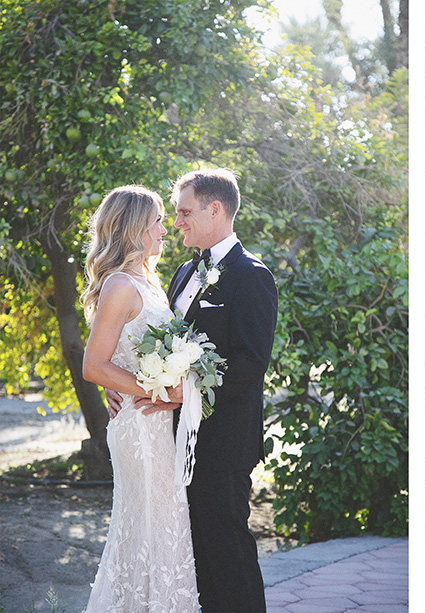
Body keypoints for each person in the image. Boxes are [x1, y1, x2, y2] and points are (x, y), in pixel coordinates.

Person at [108, 168, 279, 612]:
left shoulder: (250, 275)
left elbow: (250, 362)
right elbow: (155, 344)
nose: (177, 221)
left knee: (229, 556)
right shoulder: (184, 273)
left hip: (223, 442)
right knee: (193, 559)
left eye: (184, 212)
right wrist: (124, 381)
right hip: (172, 440)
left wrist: (188, 395)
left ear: (215, 209)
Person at [81, 185, 200, 611]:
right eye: (158, 221)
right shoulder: (118, 286)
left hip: (158, 425)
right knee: (151, 534)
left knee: (160, 535)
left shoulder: (145, 283)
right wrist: (159, 389)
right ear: (134, 229)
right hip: (141, 431)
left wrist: (164, 388)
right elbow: (93, 367)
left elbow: (126, 359)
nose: (166, 230)